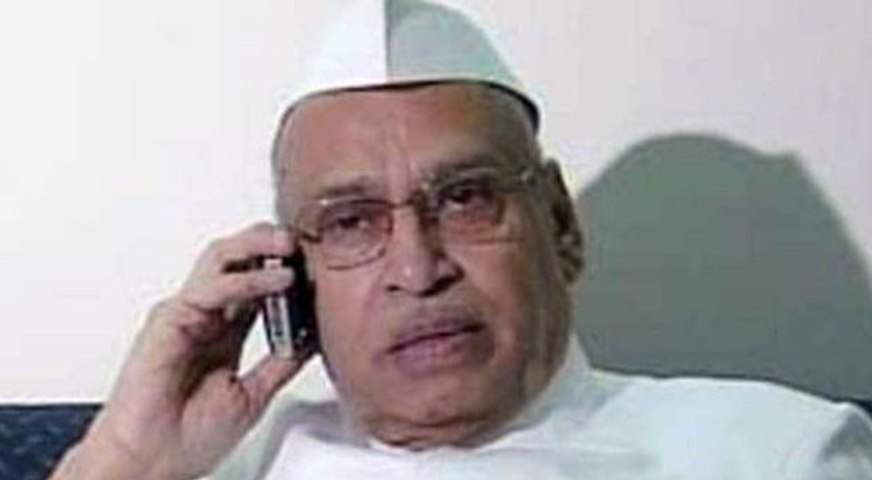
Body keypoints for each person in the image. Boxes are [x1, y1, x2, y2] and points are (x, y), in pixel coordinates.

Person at [50, 0, 872, 479]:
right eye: (350, 222)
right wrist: (121, 458)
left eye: (467, 198)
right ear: (291, 277)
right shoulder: (223, 464)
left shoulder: (775, 452)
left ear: (560, 225)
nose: (418, 269)